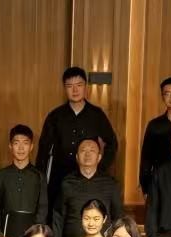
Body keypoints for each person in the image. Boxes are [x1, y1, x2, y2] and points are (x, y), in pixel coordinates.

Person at [38, 67, 119, 225]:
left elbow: (112, 143)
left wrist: (100, 167)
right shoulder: (55, 116)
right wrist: (41, 182)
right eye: (70, 86)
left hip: (89, 177)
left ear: (85, 87)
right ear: (64, 88)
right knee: (58, 219)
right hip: (60, 177)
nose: (74, 90)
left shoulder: (96, 114)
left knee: (89, 216)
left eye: (79, 85)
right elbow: (43, 150)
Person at [0, 124, 48, 237]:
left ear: (31, 146)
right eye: (16, 143)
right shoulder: (1, 175)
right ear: (10, 146)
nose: (21, 148)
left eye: (25, 143)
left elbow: (42, 208)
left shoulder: (39, 176)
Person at [52, 139, 123, 237]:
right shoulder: (67, 183)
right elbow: (58, 219)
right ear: (77, 157)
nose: (87, 154)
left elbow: (118, 218)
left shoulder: (111, 183)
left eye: (92, 150)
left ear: (99, 157)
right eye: (83, 150)